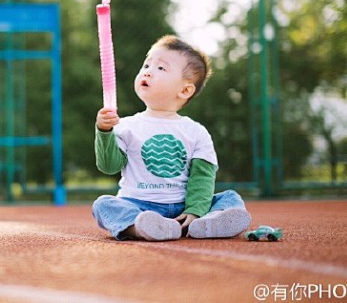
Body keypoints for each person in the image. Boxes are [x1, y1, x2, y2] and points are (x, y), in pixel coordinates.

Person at [92, 35, 251, 241]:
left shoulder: (196, 132)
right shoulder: (124, 126)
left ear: (185, 90)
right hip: (138, 205)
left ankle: (204, 223)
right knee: (103, 205)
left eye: (160, 68)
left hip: (184, 206)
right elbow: (108, 166)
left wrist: (195, 210)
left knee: (230, 198)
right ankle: (142, 227)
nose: (148, 71)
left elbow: (202, 177)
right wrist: (104, 132)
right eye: (146, 64)